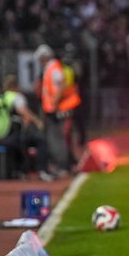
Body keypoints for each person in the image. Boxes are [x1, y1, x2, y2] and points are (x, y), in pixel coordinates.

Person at [0, 75, 52, 180]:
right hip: (7, 135)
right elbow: (24, 112)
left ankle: (0, 171)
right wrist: (37, 121)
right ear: (16, 86)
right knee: (38, 140)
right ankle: (41, 171)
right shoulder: (16, 97)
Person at [35, 44, 81, 176]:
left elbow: (61, 86)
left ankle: (63, 165)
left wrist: (54, 103)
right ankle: (65, 164)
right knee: (58, 138)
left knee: (57, 138)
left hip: (56, 109)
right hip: (54, 108)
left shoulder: (53, 68)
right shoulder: (53, 68)